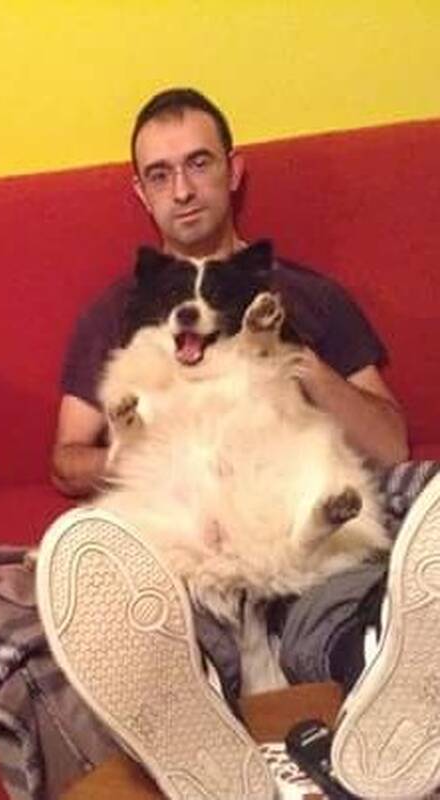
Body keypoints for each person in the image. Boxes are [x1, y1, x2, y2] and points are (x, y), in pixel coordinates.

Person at [36, 87, 440, 799]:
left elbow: (390, 444)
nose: (183, 190)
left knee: (333, 604)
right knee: (159, 630)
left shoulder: (304, 295)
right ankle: (207, 744)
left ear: (234, 168)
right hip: (191, 528)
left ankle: (381, 683)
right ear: (141, 192)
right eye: (160, 174)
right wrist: (157, 448)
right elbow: (67, 460)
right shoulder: (120, 309)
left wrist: (294, 359)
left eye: (198, 164)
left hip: (290, 508)